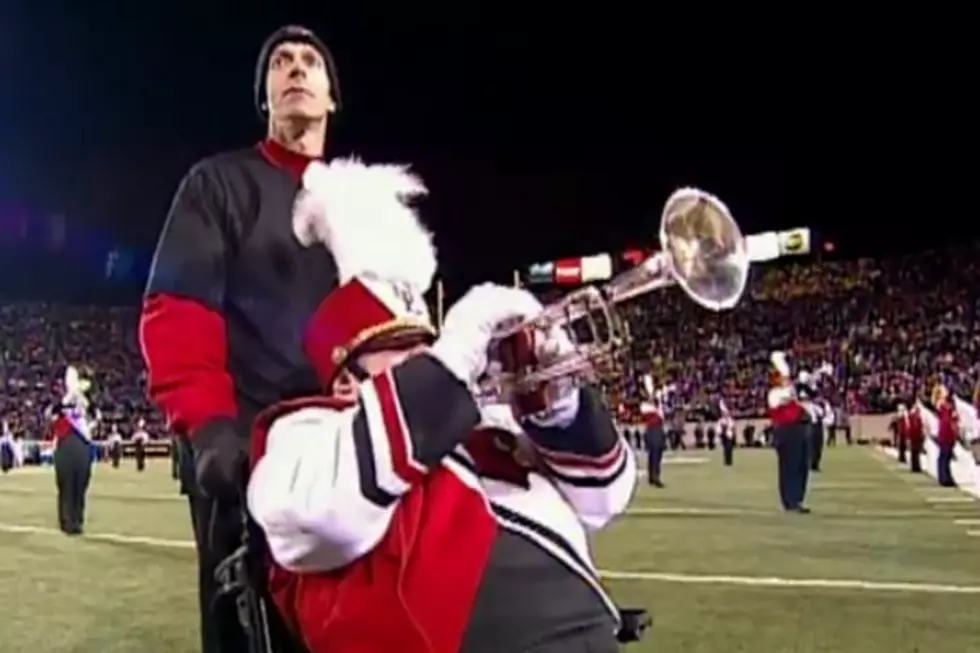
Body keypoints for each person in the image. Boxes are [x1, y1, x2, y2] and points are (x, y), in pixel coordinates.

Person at [245, 176, 639, 653]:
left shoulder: (486, 424)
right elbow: (314, 519)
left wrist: (558, 410)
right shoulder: (305, 437)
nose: (422, 359)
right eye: (397, 349)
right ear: (346, 377)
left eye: (424, 346)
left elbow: (606, 498)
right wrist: (447, 363)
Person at [139, 25, 343, 653]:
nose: (296, 70)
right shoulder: (218, 184)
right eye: (280, 63)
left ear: (332, 95)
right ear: (266, 96)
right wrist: (211, 427)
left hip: (343, 455)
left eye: (310, 61)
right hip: (246, 455)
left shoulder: (359, 202)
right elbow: (177, 309)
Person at [51, 365, 95, 535]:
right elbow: (53, 414)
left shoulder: (86, 401)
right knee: (67, 483)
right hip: (65, 443)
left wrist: (82, 398)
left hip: (82, 443)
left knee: (81, 482)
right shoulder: (59, 402)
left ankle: (78, 520)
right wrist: (67, 399)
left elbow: (94, 416)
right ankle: (67, 520)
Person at [768, 351, 810, 514]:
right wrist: (787, 374)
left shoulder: (790, 394)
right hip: (786, 432)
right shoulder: (774, 394)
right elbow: (786, 394)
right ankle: (789, 501)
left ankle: (797, 499)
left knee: (801, 466)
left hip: (798, 430)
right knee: (789, 466)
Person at [933, 384, 958, 487]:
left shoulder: (948, 404)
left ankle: (947, 477)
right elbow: (946, 417)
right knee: (944, 455)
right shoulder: (941, 404)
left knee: (947, 456)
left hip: (949, 431)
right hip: (945, 431)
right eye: (944, 390)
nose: (946, 391)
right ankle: (943, 477)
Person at [641, 394, 667, 487]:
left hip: (658, 429)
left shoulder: (657, 407)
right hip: (652, 429)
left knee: (657, 453)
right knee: (654, 454)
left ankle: (653, 476)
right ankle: (654, 476)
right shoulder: (646, 406)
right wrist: (655, 402)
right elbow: (646, 412)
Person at [896, 402, 924, 473]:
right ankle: (915, 466)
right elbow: (910, 424)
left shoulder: (910, 414)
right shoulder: (911, 414)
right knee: (914, 450)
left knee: (915, 451)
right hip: (913, 433)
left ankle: (915, 465)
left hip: (913, 433)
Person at [718, 399, 736, 467]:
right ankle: (726, 461)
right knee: (725, 449)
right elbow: (718, 429)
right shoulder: (721, 420)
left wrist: (732, 433)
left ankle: (730, 461)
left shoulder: (730, 420)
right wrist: (721, 433)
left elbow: (732, 427)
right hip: (723, 436)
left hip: (729, 435)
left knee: (729, 448)